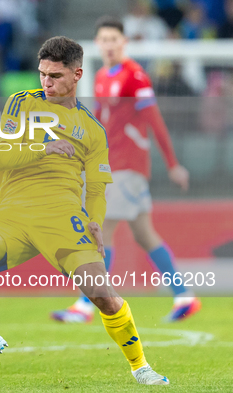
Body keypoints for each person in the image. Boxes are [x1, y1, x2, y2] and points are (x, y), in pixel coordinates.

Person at [0, 36, 169, 384]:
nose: (46, 83)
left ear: (77, 74)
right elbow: (2, 156)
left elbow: (96, 187)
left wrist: (94, 222)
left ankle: (141, 367)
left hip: (64, 220)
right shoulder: (22, 103)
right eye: (42, 74)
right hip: (12, 217)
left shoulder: (93, 130)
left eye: (55, 76)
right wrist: (43, 146)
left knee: (103, 297)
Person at [51, 16, 200, 324]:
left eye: (113, 39)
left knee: (100, 232)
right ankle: (184, 295)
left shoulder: (135, 76)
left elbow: (154, 120)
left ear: (124, 42)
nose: (108, 45)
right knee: (144, 234)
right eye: (103, 40)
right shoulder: (104, 76)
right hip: (113, 166)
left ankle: (84, 305)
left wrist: (173, 164)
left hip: (126, 167)